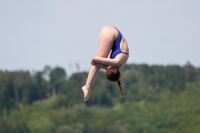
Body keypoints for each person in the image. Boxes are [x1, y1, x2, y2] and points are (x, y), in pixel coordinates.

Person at [82, 26, 129, 102]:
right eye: (107, 71)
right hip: (110, 33)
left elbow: (100, 63)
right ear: (113, 71)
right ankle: (87, 87)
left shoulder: (118, 66)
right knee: (99, 62)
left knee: (99, 63)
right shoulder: (117, 62)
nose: (106, 69)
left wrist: (96, 62)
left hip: (111, 32)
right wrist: (93, 61)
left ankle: (87, 87)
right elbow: (95, 59)